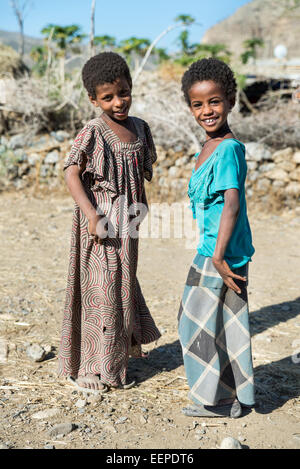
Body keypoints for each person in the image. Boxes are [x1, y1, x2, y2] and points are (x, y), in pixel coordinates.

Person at [58, 52, 161, 393]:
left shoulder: (140, 129)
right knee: (99, 291)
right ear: (93, 99)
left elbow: (140, 177)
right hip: (100, 225)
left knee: (121, 286)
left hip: (128, 226)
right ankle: (89, 368)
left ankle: (114, 362)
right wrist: (91, 214)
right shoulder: (94, 131)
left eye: (124, 93)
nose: (119, 102)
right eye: (108, 97)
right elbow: (71, 172)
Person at [178, 58, 255, 418]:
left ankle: (219, 401)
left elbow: (232, 205)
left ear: (231, 101)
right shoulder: (208, 147)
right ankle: (233, 396)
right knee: (221, 324)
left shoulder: (227, 148)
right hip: (213, 248)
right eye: (198, 104)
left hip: (219, 252)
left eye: (214, 101)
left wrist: (220, 257)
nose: (207, 110)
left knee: (194, 322)